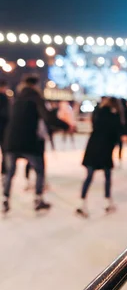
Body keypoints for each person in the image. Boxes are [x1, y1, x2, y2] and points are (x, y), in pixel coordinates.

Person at [2, 75, 68, 212]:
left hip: (11, 141)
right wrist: (65, 125)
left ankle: (5, 199)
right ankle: (38, 199)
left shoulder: (16, 100)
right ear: (35, 86)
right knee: (39, 170)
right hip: (29, 141)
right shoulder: (36, 99)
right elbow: (48, 117)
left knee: (10, 172)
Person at [76, 97, 122, 218]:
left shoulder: (97, 113)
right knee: (107, 176)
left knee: (89, 176)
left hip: (93, 147)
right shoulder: (114, 116)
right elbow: (116, 133)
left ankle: (82, 203)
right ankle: (107, 201)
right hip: (105, 149)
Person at [0, 80, 10, 176]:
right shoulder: (3, 98)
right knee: (5, 150)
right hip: (3, 128)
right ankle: (4, 169)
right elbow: (6, 114)